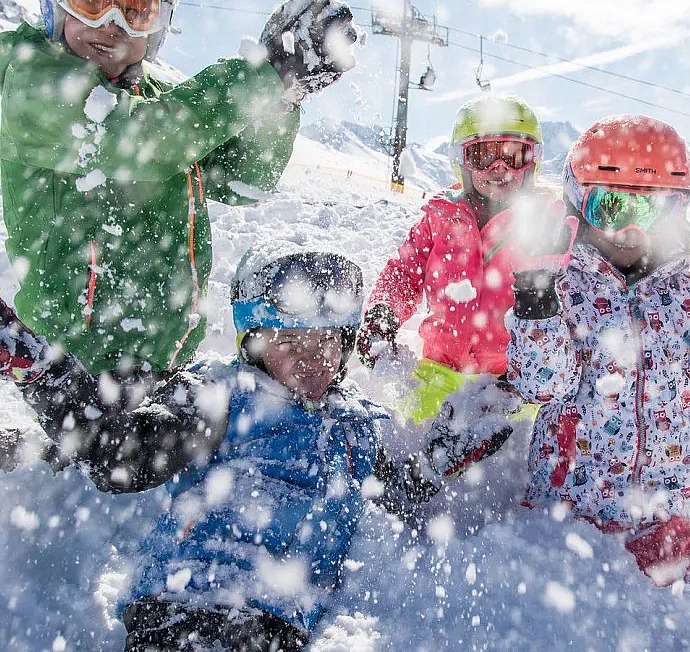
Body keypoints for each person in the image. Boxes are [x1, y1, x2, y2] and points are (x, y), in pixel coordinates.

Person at [0, 241, 512, 651]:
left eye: (327, 342)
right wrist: (36, 368)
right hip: (185, 603)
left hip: (276, 623)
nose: (312, 361)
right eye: (289, 343)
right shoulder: (221, 396)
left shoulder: (359, 423)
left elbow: (396, 491)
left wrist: (444, 456)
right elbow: (122, 455)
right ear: (252, 343)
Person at [0, 0, 357, 380]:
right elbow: (135, 141)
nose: (112, 23)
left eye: (135, 10)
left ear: (158, 26)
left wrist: (280, 100)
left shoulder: (162, 105)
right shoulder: (29, 80)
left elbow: (246, 178)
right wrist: (259, 77)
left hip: (161, 366)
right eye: (91, 0)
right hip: (71, 372)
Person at [505, 113, 690, 587]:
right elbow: (543, 385)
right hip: (572, 513)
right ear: (576, 202)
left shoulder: (685, 289)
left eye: (653, 210)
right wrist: (537, 296)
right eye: (610, 207)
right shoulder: (562, 280)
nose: (631, 230)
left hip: (668, 515)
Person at [356, 94, 544, 424]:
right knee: (415, 453)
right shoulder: (441, 219)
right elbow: (404, 272)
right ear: (462, 161)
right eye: (484, 155)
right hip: (438, 373)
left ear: (533, 161)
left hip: (510, 384)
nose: (498, 169)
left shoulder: (544, 226)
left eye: (513, 156)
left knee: (505, 467)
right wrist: (383, 312)